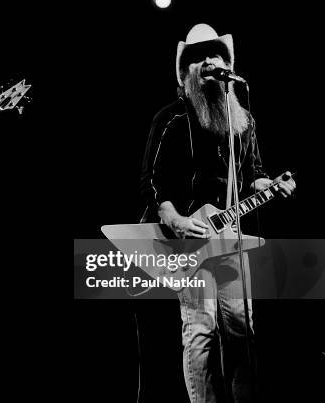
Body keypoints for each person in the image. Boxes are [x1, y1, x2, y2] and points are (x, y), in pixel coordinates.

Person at [139, 24, 296, 402]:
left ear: (227, 64)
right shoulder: (172, 118)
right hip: (188, 241)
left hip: (231, 238)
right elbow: (151, 181)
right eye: (198, 57)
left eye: (215, 54)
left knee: (243, 329)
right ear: (186, 71)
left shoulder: (243, 120)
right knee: (201, 329)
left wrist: (270, 185)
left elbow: (254, 175)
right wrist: (175, 218)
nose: (208, 61)